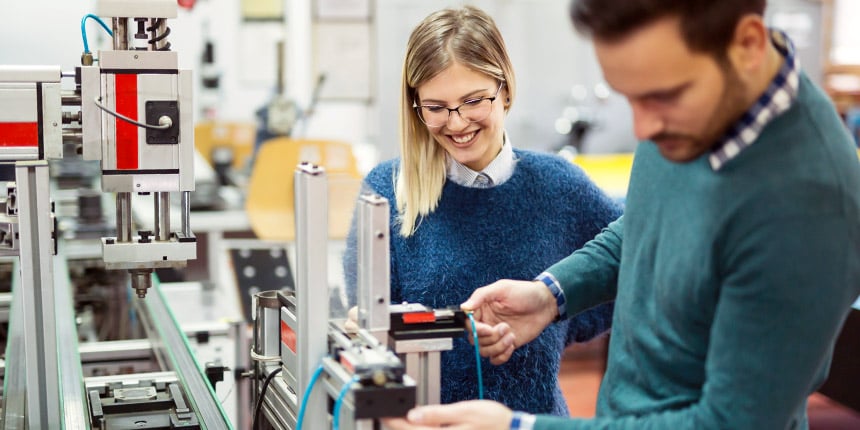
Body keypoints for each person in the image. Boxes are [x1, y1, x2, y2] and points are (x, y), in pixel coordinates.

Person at [385, 0, 860, 429]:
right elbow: (646, 224)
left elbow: (728, 423)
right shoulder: (694, 106)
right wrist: (550, 295)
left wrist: (520, 428)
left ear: (748, 46)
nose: (642, 128)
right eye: (628, 96)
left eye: (660, 96)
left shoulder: (810, 205)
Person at [341, 5, 622, 416]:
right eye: (435, 107)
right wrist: (370, 334)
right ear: (415, 106)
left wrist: (551, 316)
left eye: (472, 100)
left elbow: (627, 272)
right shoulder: (385, 192)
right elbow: (366, 331)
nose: (456, 123)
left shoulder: (560, 185)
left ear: (505, 89)